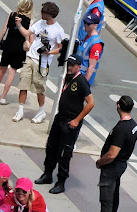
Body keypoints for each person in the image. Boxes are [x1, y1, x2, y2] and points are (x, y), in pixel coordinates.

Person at [79, 95, 137, 212]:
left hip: (111, 167)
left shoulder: (121, 128)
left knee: (106, 201)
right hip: (120, 166)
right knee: (113, 197)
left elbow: (112, 154)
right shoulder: (133, 125)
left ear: (118, 105)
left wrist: (100, 162)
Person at [34, 54, 94, 194]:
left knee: (64, 153)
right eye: (69, 64)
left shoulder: (81, 81)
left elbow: (91, 103)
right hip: (60, 118)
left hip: (70, 122)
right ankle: (48, 174)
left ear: (78, 66)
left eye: (72, 65)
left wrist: (77, 120)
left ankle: (61, 182)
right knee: (51, 147)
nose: (69, 67)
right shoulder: (68, 77)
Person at [12, 2, 64, 124]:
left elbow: (61, 48)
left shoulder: (58, 30)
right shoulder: (40, 23)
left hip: (42, 63)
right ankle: (20, 110)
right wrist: (19, 25)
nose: (40, 13)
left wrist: (50, 53)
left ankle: (41, 111)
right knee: (23, 83)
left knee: (39, 88)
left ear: (49, 15)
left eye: (43, 12)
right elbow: (26, 33)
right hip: (30, 57)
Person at [0, 1, 33, 105]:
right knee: (12, 72)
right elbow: (30, 39)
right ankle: (3, 98)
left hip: (8, 46)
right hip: (19, 49)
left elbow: (4, 30)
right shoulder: (29, 21)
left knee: (1, 69)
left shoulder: (12, 15)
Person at [77, 13, 104, 87]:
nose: (85, 25)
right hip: (76, 73)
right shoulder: (86, 36)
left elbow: (92, 66)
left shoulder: (96, 44)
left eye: (88, 24)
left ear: (95, 25)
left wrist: (83, 84)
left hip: (82, 77)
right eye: (85, 22)